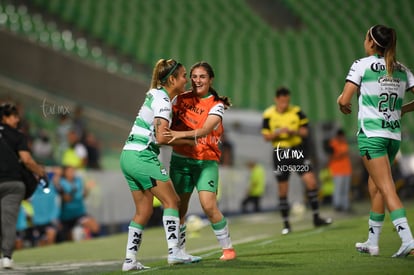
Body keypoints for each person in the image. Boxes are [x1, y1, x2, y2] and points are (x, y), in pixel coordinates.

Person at [337, 24, 414, 257]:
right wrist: (402, 110)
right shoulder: (402, 69)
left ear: (370, 42)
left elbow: (345, 99)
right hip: (392, 136)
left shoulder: (362, 65)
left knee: (386, 187)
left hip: (372, 136)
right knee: (376, 187)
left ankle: (408, 240)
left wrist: (342, 102)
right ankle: (372, 242)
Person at [119, 58, 194, 271]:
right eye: (183, 76)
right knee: (173, 202)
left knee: (143, 211)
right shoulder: (163, 102)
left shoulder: (155, 94)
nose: (186, 79)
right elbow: (161, 138)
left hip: (128, 156)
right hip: (142, 156)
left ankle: (129, 260)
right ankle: (174, 252)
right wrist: (190, 139)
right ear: (172, 79)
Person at [164, 61, 237, 261]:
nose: (197, 80)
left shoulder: (216, 104)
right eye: (194, 76)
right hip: (180, 160)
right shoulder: (179, 99)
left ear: (210, 79)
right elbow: (164, 118)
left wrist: (174, 135)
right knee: (179, 207)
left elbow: (205, 130)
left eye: (202, 76)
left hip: (206, 162)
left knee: (208, 206)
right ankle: (179, 252)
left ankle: (228, 249)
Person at [261, 87, 332, 235]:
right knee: (283, 188)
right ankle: (286, 224)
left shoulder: (297, 111)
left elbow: (306, 131)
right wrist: (278, 133)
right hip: (280, 152)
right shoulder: (268, 114)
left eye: (286, 101)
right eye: (281, 102)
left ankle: (316, 217)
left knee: (311, 182)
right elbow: (266, 136)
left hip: (297, 151)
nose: (284, 104)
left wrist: (292, 131)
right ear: (276, 100)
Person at [0, 103, 46, 269]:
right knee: (9, 221)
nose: (17, 119)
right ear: (4, 117)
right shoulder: (18, 136)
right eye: (13, 116)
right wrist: (40, 172)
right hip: (13, 183)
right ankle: (6, 257)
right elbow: (26, 160)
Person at [53, 166, 100, 242]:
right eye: (69, 171)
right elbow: (67, 199)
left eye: (73, 171)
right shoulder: (61, 182)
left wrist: (87, 188)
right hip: (66, 216)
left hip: (79, 212)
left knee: (94, 227)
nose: (72, 173)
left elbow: (83, 196)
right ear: (64, 173)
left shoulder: (78, 181)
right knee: (69, 239)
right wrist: (75, 193)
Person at [328, 128, 353, 212]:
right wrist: (341, 154)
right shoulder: (333, 143)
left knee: (345, 189)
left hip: (346, 169)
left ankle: (345, 206)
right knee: (338, 188)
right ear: (338, 136)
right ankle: (337, 205)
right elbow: (330, 156)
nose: (343, 138)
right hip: (337, 170)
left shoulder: (344, 143)